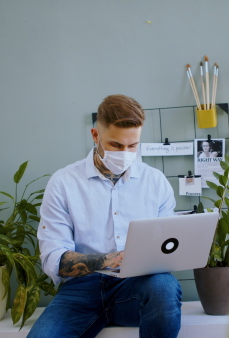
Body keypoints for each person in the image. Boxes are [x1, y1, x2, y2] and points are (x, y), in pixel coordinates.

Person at [28, 95, 182, 338]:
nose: (125, 153)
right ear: (95, 135)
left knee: (164, 285)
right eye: (116, 145)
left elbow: (167, 249)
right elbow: (54, 259)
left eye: (133, 146)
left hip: (138, 287)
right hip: (81, 291)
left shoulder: (155, 182)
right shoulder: (64, 183)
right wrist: (111, 259)